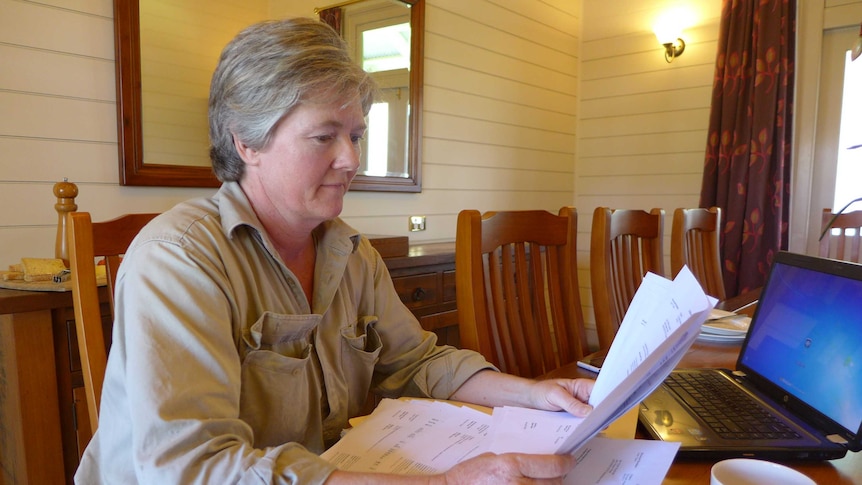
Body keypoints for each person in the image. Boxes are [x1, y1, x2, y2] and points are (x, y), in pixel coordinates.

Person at [75, 17, 595, 484]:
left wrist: (535, 395)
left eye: (355, 135)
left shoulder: (350, 251)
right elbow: (193, 469)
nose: (350, 159)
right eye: (324, 136)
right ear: (246, 143)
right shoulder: (178, 259)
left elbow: (419, 361)